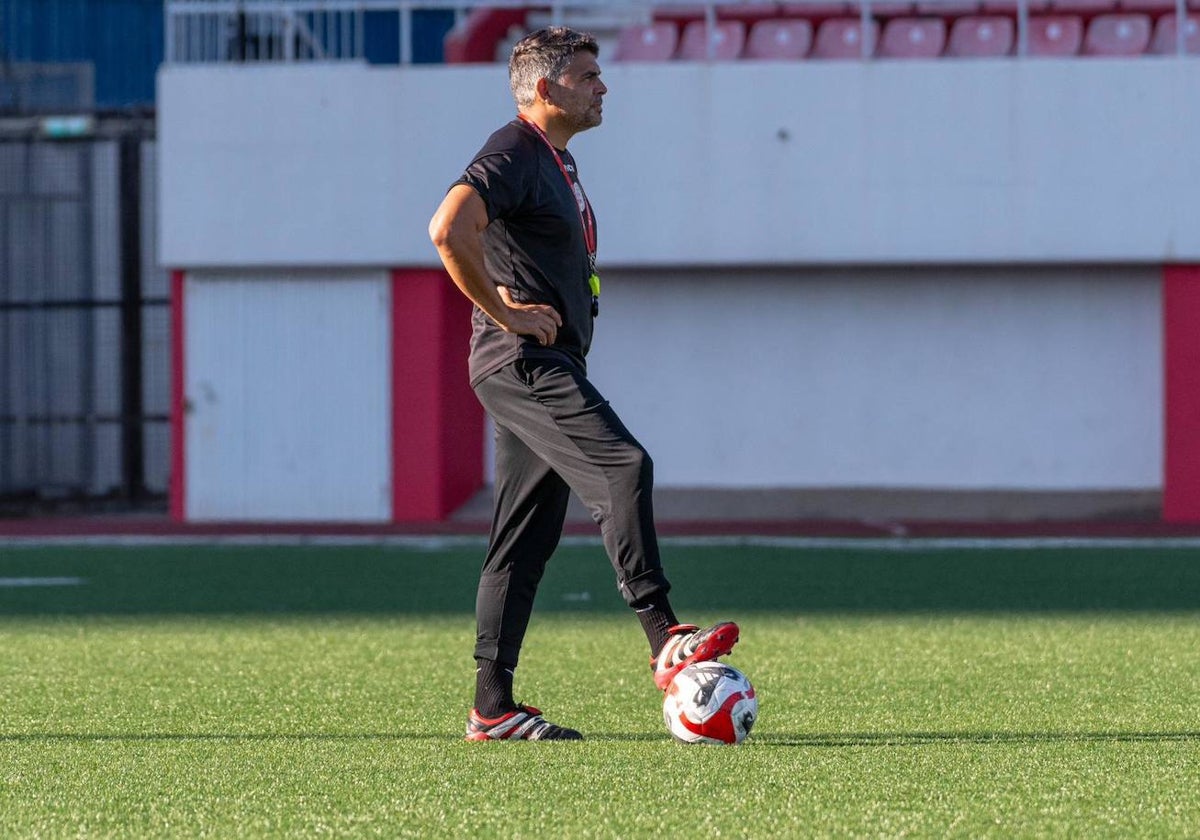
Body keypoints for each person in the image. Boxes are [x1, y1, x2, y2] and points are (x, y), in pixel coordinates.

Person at [428, 26, 739, 742]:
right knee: (624, 467)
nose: (604, 86)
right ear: (546, 89)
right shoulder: (513, 149)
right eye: (589, 75)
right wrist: (501, 307)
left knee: (523, 544)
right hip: (523, 362)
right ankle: (665, 637)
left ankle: (491, 709)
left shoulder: (553, 160)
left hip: (544, 363)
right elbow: (448, 228)